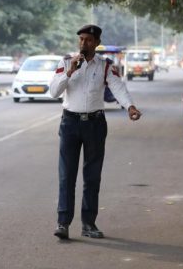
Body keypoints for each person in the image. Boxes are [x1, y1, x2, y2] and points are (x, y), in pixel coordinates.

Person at [49, 24, 142, 240]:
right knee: (67, 176)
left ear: (97, 43)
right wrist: (71, 70)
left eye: (88, 40)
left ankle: (88, 224)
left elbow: (118, 87)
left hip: (95, 124)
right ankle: (63, 223)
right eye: (81, 39)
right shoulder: (65, 62)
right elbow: (54, 91)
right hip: (70, 123)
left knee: (92, 177)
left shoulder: (105, 66)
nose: (84, 43)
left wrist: (130, 107)